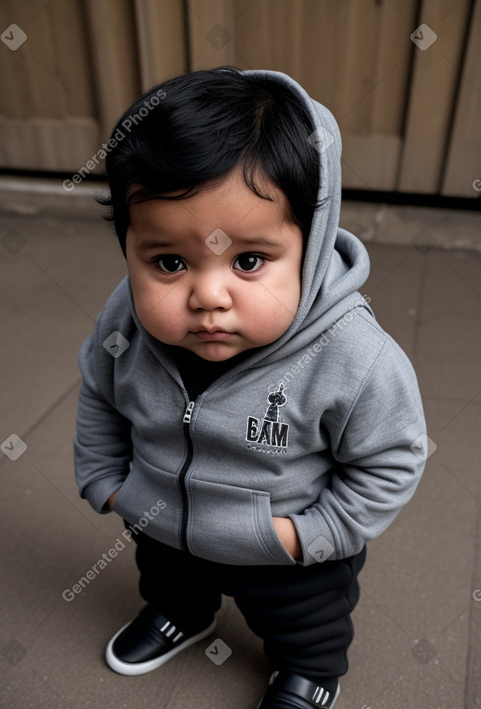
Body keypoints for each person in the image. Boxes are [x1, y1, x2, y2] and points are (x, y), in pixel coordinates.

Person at [73, 67, 427, 709]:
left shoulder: (352, 355)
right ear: (127, 246)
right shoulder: (123, 321)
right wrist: (107, 481)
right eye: (169, 263)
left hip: (287, 552)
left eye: (249, 261)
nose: (209, 295)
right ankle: (183, 614)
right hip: (162, 523)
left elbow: (393, 457)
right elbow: (101, 394)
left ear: (310, 247)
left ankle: (309, 671)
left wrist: (307, 534)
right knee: (168, 580)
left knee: (306, 623)